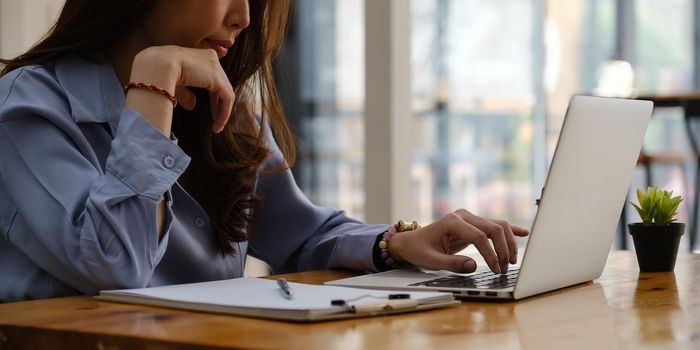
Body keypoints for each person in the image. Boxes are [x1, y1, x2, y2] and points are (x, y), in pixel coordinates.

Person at [0, 0, 528, 302]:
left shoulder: (222, 113)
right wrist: (155, 82)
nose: (244, 17)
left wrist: (396, 244)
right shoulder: (29, 104)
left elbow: (303, 235)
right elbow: (114, 266)